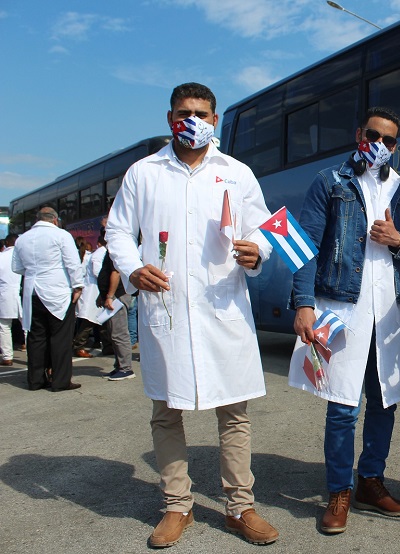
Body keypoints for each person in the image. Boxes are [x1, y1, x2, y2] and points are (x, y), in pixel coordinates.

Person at [106, 82, 278, 548]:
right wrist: (133, 268)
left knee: (234, 412)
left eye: (202, 113)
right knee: (166, 411)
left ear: (215, 120)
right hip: (167, 308)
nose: (193, 121)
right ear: (170, 119)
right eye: (184, 113)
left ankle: (240, 507)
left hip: (222, 308)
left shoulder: (236, 173)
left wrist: (256, 251)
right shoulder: (144, 173)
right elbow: (119, 231)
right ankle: (177, 505)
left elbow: (262, 229)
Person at [288, 106, 400, 534]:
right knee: (343, 404)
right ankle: (339, 491)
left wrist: (398, 241)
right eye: (372, 135)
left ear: (396, 146)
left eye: (389, 140)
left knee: (385, 401)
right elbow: (306, 243)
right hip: (341, 306)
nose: (379, 145)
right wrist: (303, 303)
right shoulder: (330, 181)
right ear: (358, 134)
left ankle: (371, 481)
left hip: (388, 310)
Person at [12, 207, 84, 391]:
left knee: (36, 337)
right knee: (60, 337)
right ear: (55, 220)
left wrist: (34, 271)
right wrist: (78, 285)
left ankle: (35, 380)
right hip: (57, 291)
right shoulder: (61, 235)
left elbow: (17, 268)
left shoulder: (22, 239)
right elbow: (72, 263)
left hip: (32, 292)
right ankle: (61, 381)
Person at [95, 243, 134, 381]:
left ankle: (125, 368)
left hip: (118, 297)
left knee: (119, 333)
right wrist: (103, 295)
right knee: (113, 333)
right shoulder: (111, 250)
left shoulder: (116, 250)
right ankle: (119, 366)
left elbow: (116, 273)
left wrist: (110, 296)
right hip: (113, 296)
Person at [72, 234, 107, 358]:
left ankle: (107, 345)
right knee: (88, 321)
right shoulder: (99, 253)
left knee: (102, 320)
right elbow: (97, 272)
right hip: (93, 290)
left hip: (95, 289)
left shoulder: (97, 253)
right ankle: (78, 346)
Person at [0, 233, 23, 366]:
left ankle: (7, 357)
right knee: (28, 325)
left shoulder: (1, 257)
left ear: (7, 243)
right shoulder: (22, 256)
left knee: (4, 326)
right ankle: (34, 354)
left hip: (5, 293)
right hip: (23, 292)